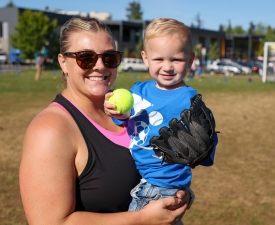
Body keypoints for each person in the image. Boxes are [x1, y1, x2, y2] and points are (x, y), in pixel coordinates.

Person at [19, 17, 192, 225]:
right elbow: (49, 222)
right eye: (86, 58)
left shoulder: (132, 108)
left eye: (109, 57)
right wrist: (142, 218)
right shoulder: (49, 130)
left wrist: (178, 192)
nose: (100, 66)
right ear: (63, 62)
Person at [104, 18, 218, 220]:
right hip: (139, 178)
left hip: (162, 185)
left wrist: (207, 148)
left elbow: (205, 145)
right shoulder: (138, 91)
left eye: (176, 59)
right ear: (145, 58)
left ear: (191, 60)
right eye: (159, 59)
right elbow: (122, 122)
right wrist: (119, 115)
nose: (167, 67)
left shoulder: (189, 100)